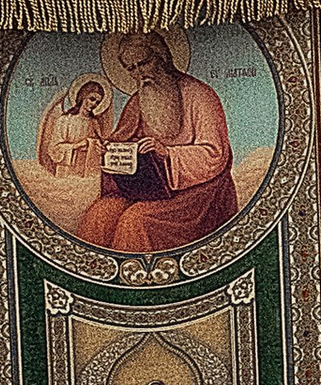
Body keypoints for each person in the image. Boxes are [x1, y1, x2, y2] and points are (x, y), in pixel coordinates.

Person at [78, 31, 240, 254]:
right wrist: (109, 148)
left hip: (197, 194)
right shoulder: (138, 101)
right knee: (101, 215)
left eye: (144, 63)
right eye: (131, 68)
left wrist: (167, 153)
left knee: (135, 221)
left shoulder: (200, 95)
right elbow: (123, 138)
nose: (139, 73)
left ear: (162, 56)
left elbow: (215, 154)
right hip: (147, 188)